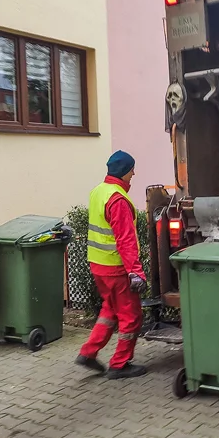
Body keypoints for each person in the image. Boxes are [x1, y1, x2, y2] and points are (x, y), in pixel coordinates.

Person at [76, 151, 148, 379]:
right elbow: (125, 240)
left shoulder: (99, 191)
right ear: (125, 171)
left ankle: (88, 352)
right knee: (131, 315)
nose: (134, 173)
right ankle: (120, 364)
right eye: (132, 169)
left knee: (110, 311)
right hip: (116, 269)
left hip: (99, 265)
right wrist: (135, 272)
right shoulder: (118, 200)